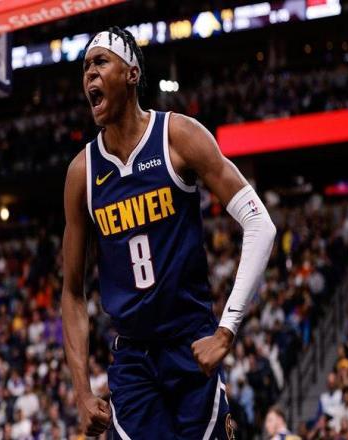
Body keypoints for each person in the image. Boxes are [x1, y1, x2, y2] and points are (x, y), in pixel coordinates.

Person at [62, 26, 276, 439]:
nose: (89, 73)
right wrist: (81, 392)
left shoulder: (178, 136)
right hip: (132, 358)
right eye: (85, 66)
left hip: (189, 342)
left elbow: (259, 224)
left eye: (101, 61)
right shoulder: (82, 172)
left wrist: (226, 330)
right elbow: (72, 292)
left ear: (132, 74)